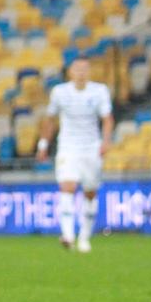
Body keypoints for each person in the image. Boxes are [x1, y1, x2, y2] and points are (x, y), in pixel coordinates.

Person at [36, 58, 113, 253]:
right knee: (67, 187)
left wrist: (105, 142)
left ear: (89, 71)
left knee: (90, 193)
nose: (81, 72)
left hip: (91, 148)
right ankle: (68, 235)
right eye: (77, 69)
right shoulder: (59, 92)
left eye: (84, 69)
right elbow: (50, 119)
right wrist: (43, 145)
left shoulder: (99, 91)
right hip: (68, 147)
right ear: (70, 72)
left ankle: (84, 237)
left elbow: (107, 119)